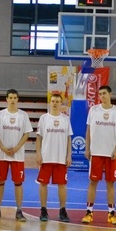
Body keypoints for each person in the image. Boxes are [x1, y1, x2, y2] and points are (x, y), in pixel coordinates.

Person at [82, 85, 116, 225]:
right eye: (100, 94)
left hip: (111, 153)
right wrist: (87, 148)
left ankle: (111, 214)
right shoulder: (94, 110)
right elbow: (88, 130)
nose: (102, 96)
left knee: (110, 183)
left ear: (110, 94)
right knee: (93, 182)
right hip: (96, 152)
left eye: (104, 93)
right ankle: (89, 212)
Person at [0, 89, 33, 222]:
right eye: (10, 97)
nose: (13, 100)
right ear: (6, 99)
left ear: (17, 99)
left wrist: (17, 147)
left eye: (15, 97)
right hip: (2, 155)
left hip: (17, 156)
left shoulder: (23, 115)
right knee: (0, 182)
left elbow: (26, 133)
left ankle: (19, 211)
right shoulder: (0, 114)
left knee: (18, 183)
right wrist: (3, 148)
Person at [35, 93, 72, 222]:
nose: (55, 103)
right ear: (50, 103)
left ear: (61, 103)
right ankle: (43, 210)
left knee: (62, 185)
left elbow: (69, 138)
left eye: (57, 101)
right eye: (53, 101)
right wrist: (38, 154)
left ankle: (62, 210)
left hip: (61, 158)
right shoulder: (44, 118)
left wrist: (69, 155)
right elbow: (38, 138)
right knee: (43, 184)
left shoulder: (65, 119)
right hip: (46, 157)